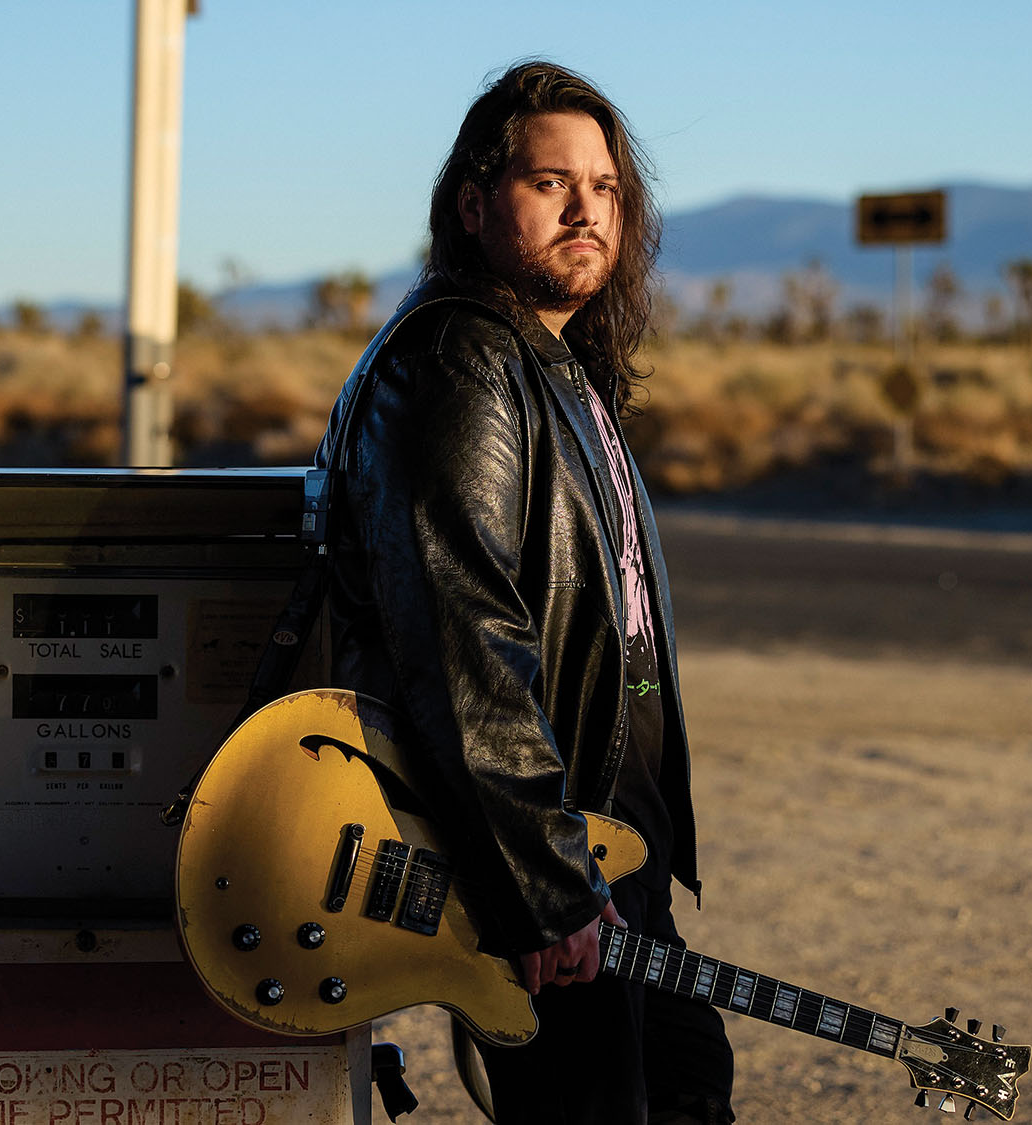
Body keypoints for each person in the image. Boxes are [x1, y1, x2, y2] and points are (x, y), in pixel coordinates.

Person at [313, 61, 735, 1124]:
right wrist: (543, 885)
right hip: (555, 856)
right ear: (472, 203)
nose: (589, 208)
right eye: (551, 183)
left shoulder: (552, 367)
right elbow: (461, 640)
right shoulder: (460, 358)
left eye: (607, 185)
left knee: (687, 1083)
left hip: (606, 845)